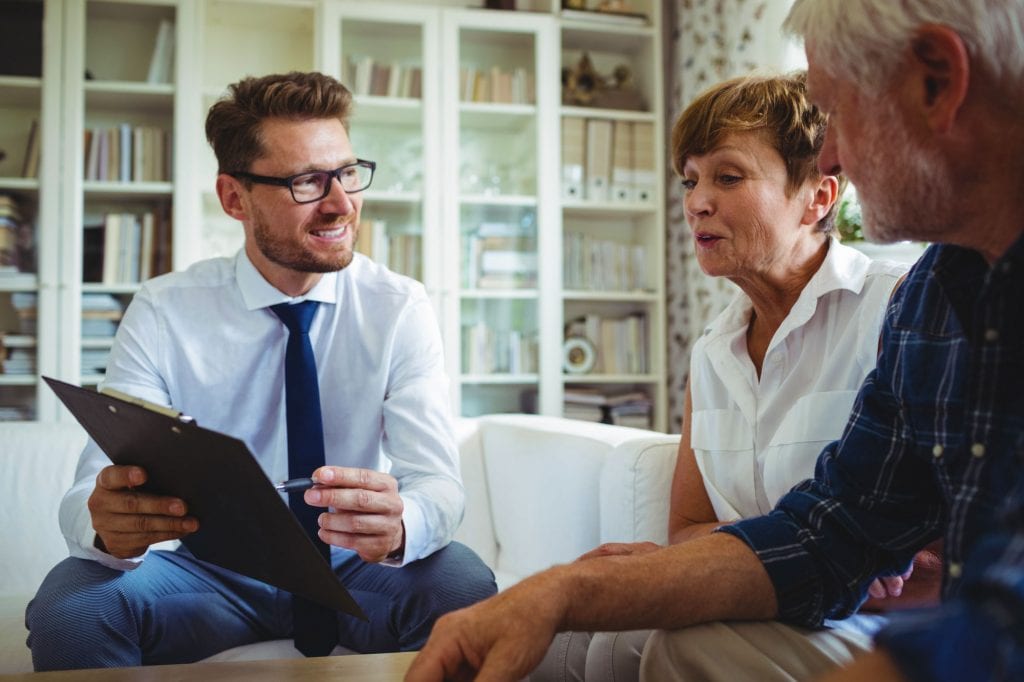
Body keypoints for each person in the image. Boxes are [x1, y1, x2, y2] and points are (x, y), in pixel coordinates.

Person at [405, 0, 1024, 680]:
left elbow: (971, 599)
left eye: (840, 112)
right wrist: (565, 591)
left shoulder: (892, 299)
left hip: (892, 626)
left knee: (681, 646)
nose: (835, 152)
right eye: (691, 180)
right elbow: (830, 535)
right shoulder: (935, 299)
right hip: (854, 617)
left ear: (937, 81)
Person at [25, 71, 496, 671]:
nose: (341, 204)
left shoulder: (398, 306)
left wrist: (405, 523)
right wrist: (106, 524)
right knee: (73, 608)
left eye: (347, 173)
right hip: (203, 570)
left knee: (464, 589)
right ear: (233, 199)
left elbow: (437, 482)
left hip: (354, 566)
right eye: (306, 182)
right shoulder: (164, 309)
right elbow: (90, 490)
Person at [530, 72, 937, 682]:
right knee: (570, 646)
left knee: (656, 646)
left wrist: (710, 562)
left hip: (869, 621)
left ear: (818, 198)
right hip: (759, 600)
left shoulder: (895, 309)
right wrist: (701, 566)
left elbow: (927, 559)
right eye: (690, 179)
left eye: (728, 176)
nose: (696, 201)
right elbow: (685, 528)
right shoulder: (713, 350)